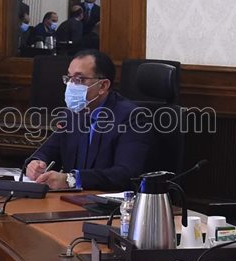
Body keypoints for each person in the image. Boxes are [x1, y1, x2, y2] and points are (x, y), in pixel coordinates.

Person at [24, 49, 151, 191]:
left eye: (79, 79)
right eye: (69, 78)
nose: (71, 85)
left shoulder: (131, 117)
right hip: (70, 199)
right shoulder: (72, 113)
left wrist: (72, 180)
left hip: (107, 200)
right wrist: (36, 163)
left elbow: (126, 174)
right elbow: (49, 150)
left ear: (103, 86)